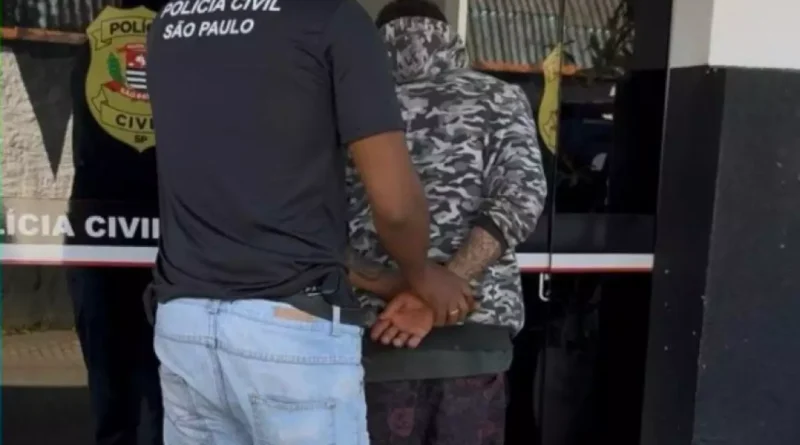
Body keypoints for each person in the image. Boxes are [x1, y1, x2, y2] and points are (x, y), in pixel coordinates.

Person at [145, 1, 472, 443]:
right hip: (289, 330)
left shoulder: (171, 22)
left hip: (184, 320)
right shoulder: (332, 19)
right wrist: (421, 275)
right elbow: (396, 205)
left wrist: (389, 281)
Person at [345, 1, 547, 444]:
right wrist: (444, 286)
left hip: (377, 337)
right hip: (474, 338)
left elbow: (310, 224)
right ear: (449, 38)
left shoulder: (346, 104)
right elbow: (522, 198)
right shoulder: (499, 97)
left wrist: (401, 287)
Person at [68, 0, 166, 443]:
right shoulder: (90, 29)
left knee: (161, 385)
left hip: (158, 226)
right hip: (98, 226)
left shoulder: (187, 29)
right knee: (117, 383)